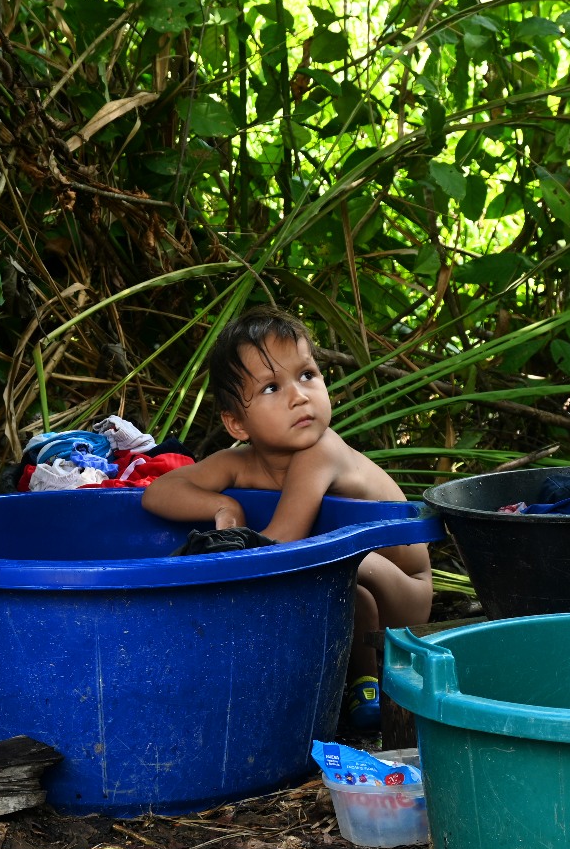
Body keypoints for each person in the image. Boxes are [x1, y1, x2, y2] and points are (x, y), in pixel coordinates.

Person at [140, 307, 432, 728]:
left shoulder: (321, 451)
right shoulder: (240, 462)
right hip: (354, 592)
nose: (299, 395)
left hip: (403, 597)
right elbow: (158, 492)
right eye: (272, 387)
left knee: (343, 556)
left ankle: (370, 680)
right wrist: (224, 508)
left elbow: (282, 540)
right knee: (338, 575)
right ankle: (350, 677)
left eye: (308, 375)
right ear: (237, 423)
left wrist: (215, 558)